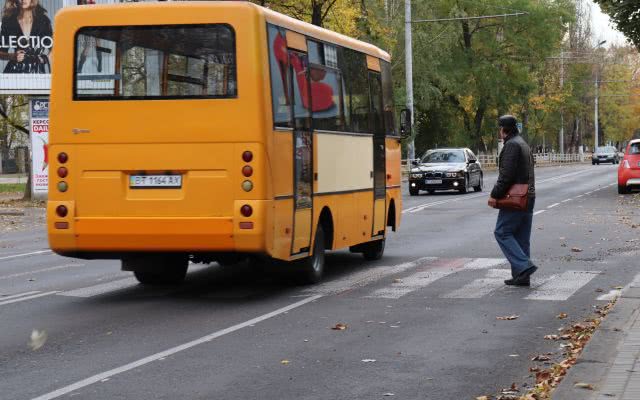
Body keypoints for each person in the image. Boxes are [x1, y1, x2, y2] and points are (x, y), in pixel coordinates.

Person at [488, 115, 537, 286]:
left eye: (499, 129)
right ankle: (522, 277)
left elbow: (506, 176)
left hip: (516, 197)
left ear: (503, 129)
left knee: (502, 232)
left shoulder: (511, 145)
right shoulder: (522, 143)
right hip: (528, 195)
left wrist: (495, 195)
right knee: (521, 237)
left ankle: (524, 266)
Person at [0, 0, 53, 74]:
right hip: (14, 72)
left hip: (37, 72)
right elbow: (1, 52)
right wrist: (12, 56)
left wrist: (44, 59)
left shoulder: (43, 20)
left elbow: (55, 49)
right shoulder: (8, 21)